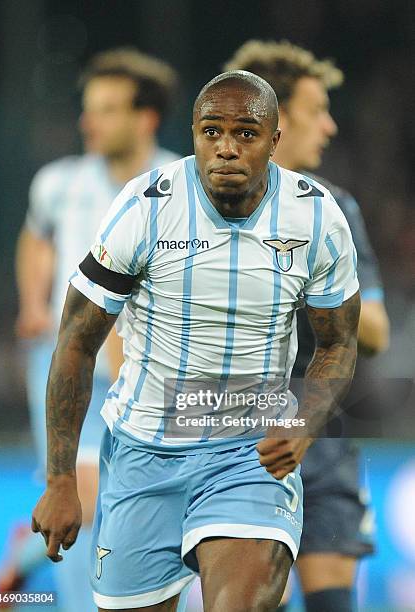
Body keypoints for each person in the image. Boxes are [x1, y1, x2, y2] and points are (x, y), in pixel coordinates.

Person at [32, 70, 361, 611]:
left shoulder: (316, 216)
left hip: (248, 456)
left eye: (246, 135)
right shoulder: (145, 205)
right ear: (193, 133)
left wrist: (305, 422)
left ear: (274, 141)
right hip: (144, 454)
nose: (226, 149)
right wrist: (61, 478)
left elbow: (339, 343)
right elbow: (74, 340)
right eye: (212, 132)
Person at [0, 47, 180, 612]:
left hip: (146, 367)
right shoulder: (58, 182)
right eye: (88, 107)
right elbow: (36, 235)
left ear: (145, 117)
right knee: (77, 490)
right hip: (66, 364)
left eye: (105, 108)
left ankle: (23, 562)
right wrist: (32, 301)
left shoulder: (178, 185)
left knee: (125, 494)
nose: (88, 121)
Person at [224, 40, 390, 611]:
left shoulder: (334, 211)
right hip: (225, 434)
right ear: (276, 118)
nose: (329, 125)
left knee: (332, 604)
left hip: (318, 431)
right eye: (316, 109)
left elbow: (374, 334)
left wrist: (309, 286)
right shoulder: (198, 209)